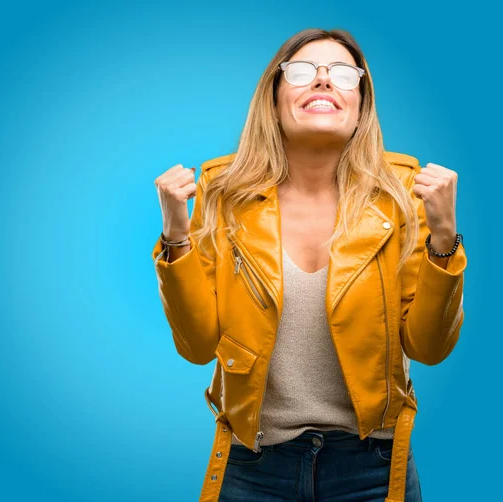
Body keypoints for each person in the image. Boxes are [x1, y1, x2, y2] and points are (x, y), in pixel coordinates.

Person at [151, 27, 466, 502]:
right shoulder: (222, 195)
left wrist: (444, 238)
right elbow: (196, 347)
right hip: (252, 463)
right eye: (301, 71)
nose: (322, 81)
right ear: (274, 99)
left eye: (342, 73)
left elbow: (428, 347)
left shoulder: (404, 195)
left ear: (361, 105)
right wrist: (176, 236)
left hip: (371, 465)